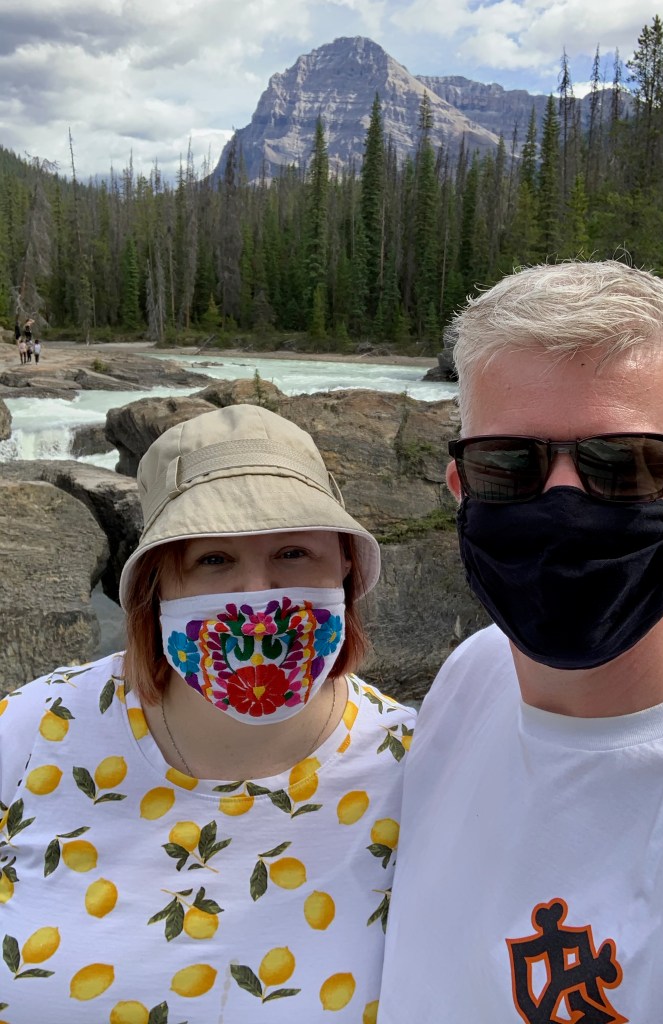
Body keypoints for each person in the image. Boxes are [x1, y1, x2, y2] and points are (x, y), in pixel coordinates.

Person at [379, 260, 663, 1022]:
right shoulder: (471, 675)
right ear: (463, 489)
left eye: (622, 464)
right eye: (508, 464)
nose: (561, 499)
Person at [0, 404, 415, 1020]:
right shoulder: (30, 730)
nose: (258, 595)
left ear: (346, 563)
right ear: (158, 584)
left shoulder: (417, 768)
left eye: (293, 552)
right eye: (214, 559)